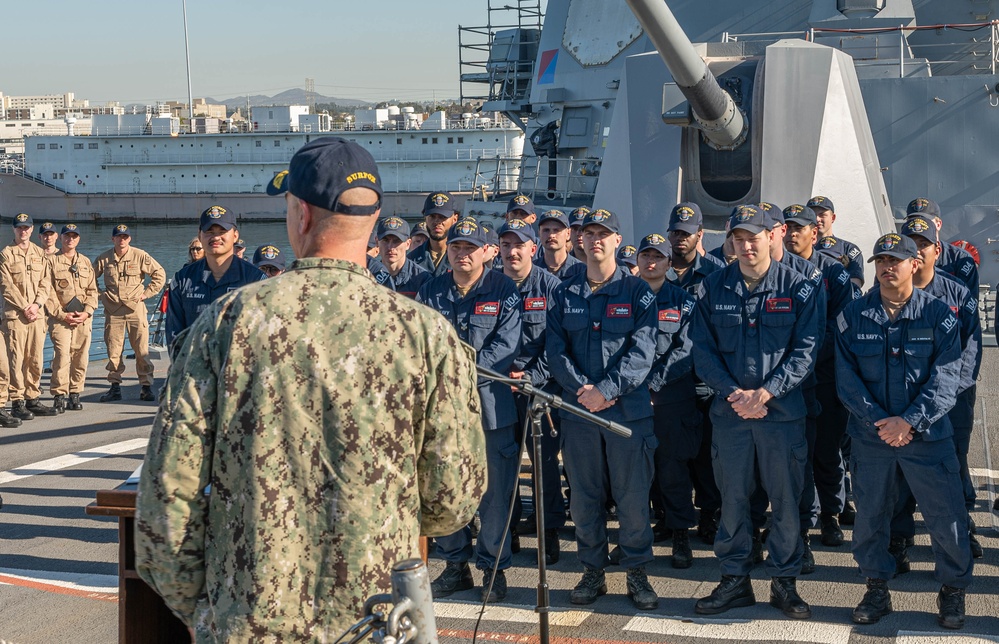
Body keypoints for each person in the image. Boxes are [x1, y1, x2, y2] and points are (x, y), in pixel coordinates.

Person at [136, 137, 487, 642]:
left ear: (301, 214)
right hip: (377, 621)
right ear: (374, 219)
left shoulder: (228, 323)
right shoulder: (425, 334)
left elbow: (165, 505)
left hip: (250, 622)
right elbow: (451, 500)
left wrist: (211, 612)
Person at [835, 232, 972, 629]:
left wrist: (909, 421)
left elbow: (948, 377)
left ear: (915, 264)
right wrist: (881, 422)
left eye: (896, 260)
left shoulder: (940, 316)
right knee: (871, 518)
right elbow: (846, 380)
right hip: (872, 437)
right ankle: (876, 588)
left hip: (927, 437)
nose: (887, 267)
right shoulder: (853, 316)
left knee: (946, 518)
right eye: (881, 260)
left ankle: (952, 592)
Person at [691, 204, 820, 620]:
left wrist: (766, 393)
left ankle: (784, 582)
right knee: (732, 500)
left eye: (754, 237)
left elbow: (806, 351)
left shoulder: (800, 288)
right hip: (731, 417)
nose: (746, 245)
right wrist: (734, 394)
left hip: (780, 417)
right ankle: (734, 580)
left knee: (785, 502)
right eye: (738, 238)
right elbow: (703, 352)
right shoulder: (712, 287)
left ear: (773, 235)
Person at [547, 208, 660, 611]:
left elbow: (644, 352)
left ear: (617, 241)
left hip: (626, 414)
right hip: (580, 414)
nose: (596, 240)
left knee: (632, 498)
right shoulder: (563, 292)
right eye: (589, 233)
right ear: (580, 241)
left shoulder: (638, 293)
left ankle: (637, 573)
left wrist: (607, 390)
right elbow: (556, 352)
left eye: (604, 234)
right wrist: (584, 390)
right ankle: (592, 570)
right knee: (584, 497)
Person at [417, 217, 522, 603]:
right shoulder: (431, 290)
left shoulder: (505, 289)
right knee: (445, 485)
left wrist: (456, 370)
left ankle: (493, 569)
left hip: (490, 407)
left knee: (494, 495)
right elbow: (422, 343)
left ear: (486, 253)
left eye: (469, 248)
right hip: (442, 410)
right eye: (457, 247)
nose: (462, 254)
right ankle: (455, 565)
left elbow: (505, 347)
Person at [889, 216, 984, 566]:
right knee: (899, 474)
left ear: (936, 249)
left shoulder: (956, 294)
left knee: (952, 465)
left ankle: (961, 530)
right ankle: (899, 538)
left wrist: (947, 394)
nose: (915, 249)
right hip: (901, 399)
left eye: (922, 243)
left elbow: (970, 349)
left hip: (951, 400)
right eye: (909, 242)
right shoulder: (885, 291)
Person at [783, 205, 859, 556]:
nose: (793, 233)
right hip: (786, 380)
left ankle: (830, 513)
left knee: (827, 451)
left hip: (826, 376)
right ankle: (800, 520)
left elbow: (841, 324)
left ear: (815, 233)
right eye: (788, 227)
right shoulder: (778, 271)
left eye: (800, 228)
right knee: (794, 452)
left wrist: (807, 355)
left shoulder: (834, 273)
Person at [498, 218, 565, 565]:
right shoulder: (491, 285)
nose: (512, 252)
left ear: (532, 249)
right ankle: (505, 533)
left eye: (518, 245)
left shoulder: (550, 287)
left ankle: (548, 529)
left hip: (539, 391)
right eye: (506, 245)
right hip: (498, 390)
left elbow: (557, 345)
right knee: (502, 465)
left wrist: (530, 376)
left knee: (543, 466)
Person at [636, 233, 698, 569]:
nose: (650, 262)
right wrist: (634, 387)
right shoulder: (624, 297)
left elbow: (686, 351)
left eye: (658, 257)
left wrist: (652, 386)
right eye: (645, 256)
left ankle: (680, 534)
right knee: (636, 472)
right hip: (631, 398)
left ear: (668, 263)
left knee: (673, 469)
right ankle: (644, 532)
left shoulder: (684, 302)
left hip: (672, 400)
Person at [666, 202, 723, 544]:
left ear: (700, 235)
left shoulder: (716, 274)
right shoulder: (657, 270)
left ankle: (709, 515)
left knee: (707, 456)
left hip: (707, 382)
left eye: (687, 234)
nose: (680, 238)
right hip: (673, 382)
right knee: (672, 456)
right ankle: (673, 519)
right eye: (676, 232)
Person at [166, 206, 265, 347]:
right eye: (209, 232)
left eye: (222, 231)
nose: (216, 237)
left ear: (235, 235)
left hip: (238, 367)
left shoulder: (255, 280)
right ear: (200, 235)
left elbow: (264, 334)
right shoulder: (182, 280)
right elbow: (174, 334)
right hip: (193, 367)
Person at [92, 224, 166, 402]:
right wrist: (100, 294)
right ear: (113, 239)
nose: (122, 240)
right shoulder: (104, 258)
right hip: (113, 310)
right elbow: (89, 278)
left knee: (142, 350)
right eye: (118, 237)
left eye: (125, 237)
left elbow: (159, 274)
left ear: (129, 239)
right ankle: (115, 386)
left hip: (136, 309)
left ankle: (146, 386)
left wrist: (146, 294)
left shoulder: (140, 256)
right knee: (114, 350)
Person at [0, 213, 57, 419]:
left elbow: (46, 282)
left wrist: (37, 304)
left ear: (32, 230)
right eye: (19, 228)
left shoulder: (39, 253)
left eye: (26, 228)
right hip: (16, 316)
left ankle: (32, 397)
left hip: (37, 314)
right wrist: (26, 306)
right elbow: (7, 287)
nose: (23, 231)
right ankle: (17, 401)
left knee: (35, 358)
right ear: (13, 230)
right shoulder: (6, 254)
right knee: (16, 359)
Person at [45, 224, 98, 413]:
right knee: (62, 355)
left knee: (81, 356)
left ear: (78, 239)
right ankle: (59, 394)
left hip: (83, 318)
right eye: (67, 236)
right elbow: (48, 292)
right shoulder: (51, 262)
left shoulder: (84, 262)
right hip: (61, 319)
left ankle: (75, 393)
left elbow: (93, 291)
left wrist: (87, 312)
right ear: (60, 238)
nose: (70, 239)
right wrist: (61, 314)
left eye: (74, 236)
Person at [904, 198, 980, 294]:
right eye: (913, 220)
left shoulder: (961, 259)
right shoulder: (898, 258)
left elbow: (969, 300)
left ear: (938, 224)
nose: (919, 225)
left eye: (925, 220)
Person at [808, 195, 865, 288]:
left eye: (822, 215)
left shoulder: (849, 250)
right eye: (813, 215)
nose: (817, 219)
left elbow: (855, 286)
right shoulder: (800, 249)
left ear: (833, 218)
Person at [375, 217, 429, 298]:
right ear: (376, 242)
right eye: (385, 240)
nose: (390, 247)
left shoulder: (422, 279)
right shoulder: (369, 276)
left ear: (408, 244)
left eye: (396, 241)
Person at [408, 191, 459, 276]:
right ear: (425, 218)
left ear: (454, 219)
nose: (437, 222)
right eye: (432, 216)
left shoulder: (463, 258)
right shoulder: (411, 261)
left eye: (443, 217)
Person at [537, 209, 585, 280]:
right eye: (546, 230)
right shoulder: (530, 269)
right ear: (539, 233)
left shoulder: (582, 271)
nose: (551, 235)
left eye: (556, 230)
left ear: (568, 234)